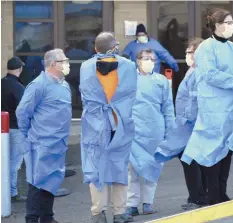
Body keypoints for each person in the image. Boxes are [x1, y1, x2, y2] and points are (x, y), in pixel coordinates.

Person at [181, 8, 233, 206]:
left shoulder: (232, 48)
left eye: (232, 23)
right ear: (216, 25)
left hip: (230, 107)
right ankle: (212, 194)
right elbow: (209, 74)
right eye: (227, 23)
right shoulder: (206, 48)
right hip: (213, 106)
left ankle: (222, 192)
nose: (231, 26)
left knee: (227, 149)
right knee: (213, 150)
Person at [80, 32, 137, 223]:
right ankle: (120, 212)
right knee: (120, 165)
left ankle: (98, 213)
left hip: (95, 124)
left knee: (97, 167)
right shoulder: (128, 66)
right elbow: (131, 95)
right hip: (119, 122)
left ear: (95, 49)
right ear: (116, 47)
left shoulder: (86, 67)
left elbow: (84, 96)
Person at [16, 49, 72, 223]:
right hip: (41, 143)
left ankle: (47, 217)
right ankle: (32, 219)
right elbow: (22, 112)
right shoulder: (38, 85)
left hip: (59, 143)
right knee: (37, 183)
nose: (67, 64)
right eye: (64, 60)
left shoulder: (64, 84)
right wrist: (28, 135)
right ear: (54, 64)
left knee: (52, 181)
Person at [154, 38, 208, 210]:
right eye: (187, 52)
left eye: (191, 52)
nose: (187, 55)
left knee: (190, 161)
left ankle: (197, 198)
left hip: (192, 125)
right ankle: (199, 196)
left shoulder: (199, 72)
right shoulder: (192, 70)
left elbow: (196, 100)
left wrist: (187, 120)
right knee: (194, 162)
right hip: (188, 125)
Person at [126, 49, 175, 216]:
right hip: (134, 131)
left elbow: (168, 107)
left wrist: (171, 131)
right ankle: (131, 204)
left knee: (153, 167)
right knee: (131, 170)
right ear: (137, 60)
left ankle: (148, 202)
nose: (149, 61)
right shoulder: (129, 79)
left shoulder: (161, 81)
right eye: (146, 58)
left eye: (152, 59)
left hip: (155, 131)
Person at [1, 57, 27, 203]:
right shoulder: (18, 87)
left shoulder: (1, 83)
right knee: (14, 162)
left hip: (3, 129)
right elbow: (24, 109)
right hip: (16, 129)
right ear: (20, 69)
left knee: (4, 160)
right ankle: (12, 193)